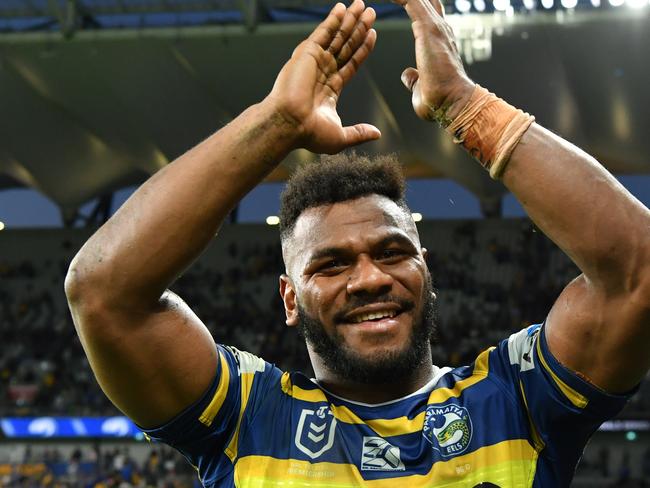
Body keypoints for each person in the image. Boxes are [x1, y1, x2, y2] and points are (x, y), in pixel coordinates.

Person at [64, 0, 650, 486]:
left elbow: (639, 272)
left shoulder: (518, 400)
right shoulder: (248, 418)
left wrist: (468, 108)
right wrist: (276, 124)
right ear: (290, 299)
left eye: (392, 252)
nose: (370, 278)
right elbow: (103, 291)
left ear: (428, 272)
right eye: (331, 264)